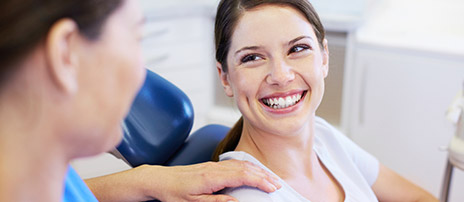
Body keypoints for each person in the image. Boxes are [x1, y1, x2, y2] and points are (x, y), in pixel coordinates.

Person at [0, 0, 282, 202]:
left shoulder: (44, 174)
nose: (141, 76)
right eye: (136, 39)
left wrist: (147, 181)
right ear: (66, 54)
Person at [212, 0, 438, 201]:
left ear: (324, 58)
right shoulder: (247, 196)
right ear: (225, 77)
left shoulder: (323, 137)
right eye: (252, 58)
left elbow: (417, 197)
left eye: (298, 48)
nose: (281, 76)